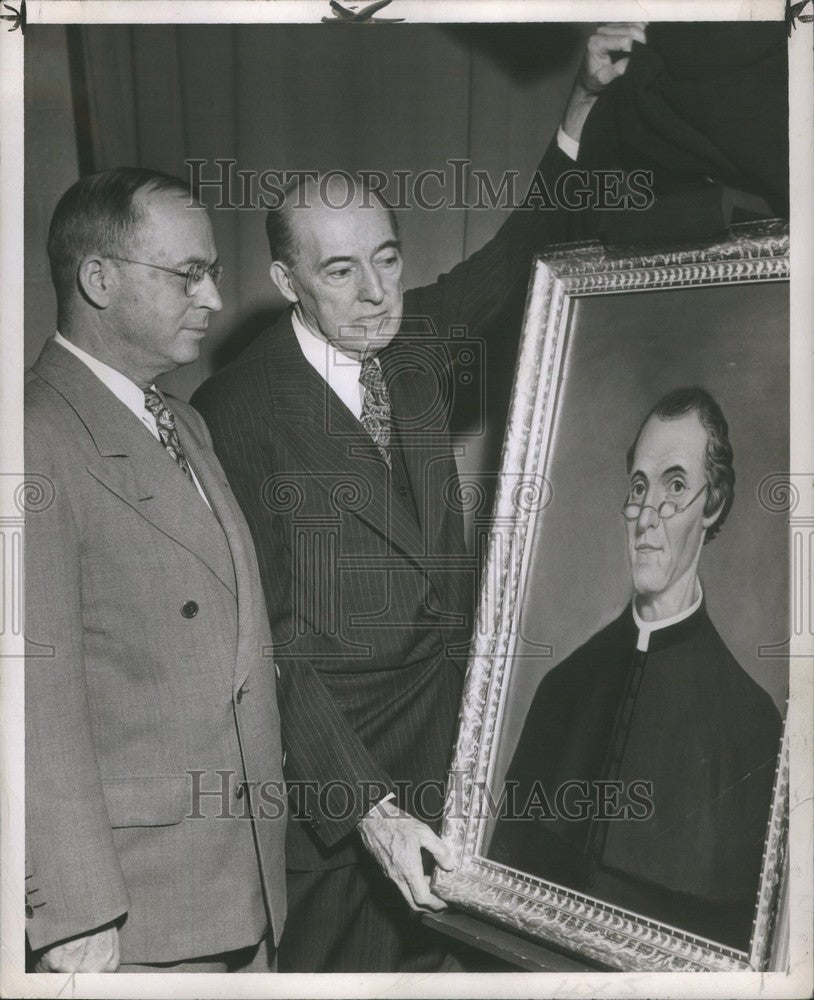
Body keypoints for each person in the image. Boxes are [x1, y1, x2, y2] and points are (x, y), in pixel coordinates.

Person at [191, 24, 647, 972]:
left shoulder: (416, 343)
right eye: (339, 270)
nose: (374, 295)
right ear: (285, 283)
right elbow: (262, 646)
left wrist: (580, 107)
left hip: (452, 753)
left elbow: (524, 247)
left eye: (387, 259)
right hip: (337, 792)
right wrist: (368, 811)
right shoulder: (235, 411)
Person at [24, 168, 286, 972]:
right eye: (187, 275)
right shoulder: (32, 440)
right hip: (131, 919)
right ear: (98, 280)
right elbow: (30, 694)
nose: (212, 297)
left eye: (210, 272)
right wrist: (74, 913)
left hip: (239, 890)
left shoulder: (186, 423)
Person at [489, 387, 783, 952]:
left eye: (675, 487)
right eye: (639, 487)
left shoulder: (753, 726)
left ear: (713, 503)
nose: (646, 518)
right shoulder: (562, 689)